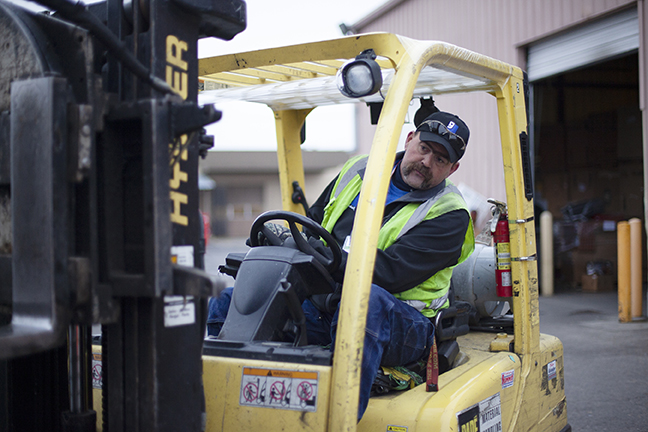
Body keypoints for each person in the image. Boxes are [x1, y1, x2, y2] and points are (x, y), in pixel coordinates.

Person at [207, 110, 475, 420]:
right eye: (425, 148)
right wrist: (285, 247)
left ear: (452, 168)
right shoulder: (358, 171)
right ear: (410, 139)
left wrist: (322, 256)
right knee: (233, 302)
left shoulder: (449, 214)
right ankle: (223, 411)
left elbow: (390, 274)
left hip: (404, 324)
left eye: (440, 160)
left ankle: (338, 421)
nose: (427, 161)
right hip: (330, 304)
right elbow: (313, 224)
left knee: (365, 303)